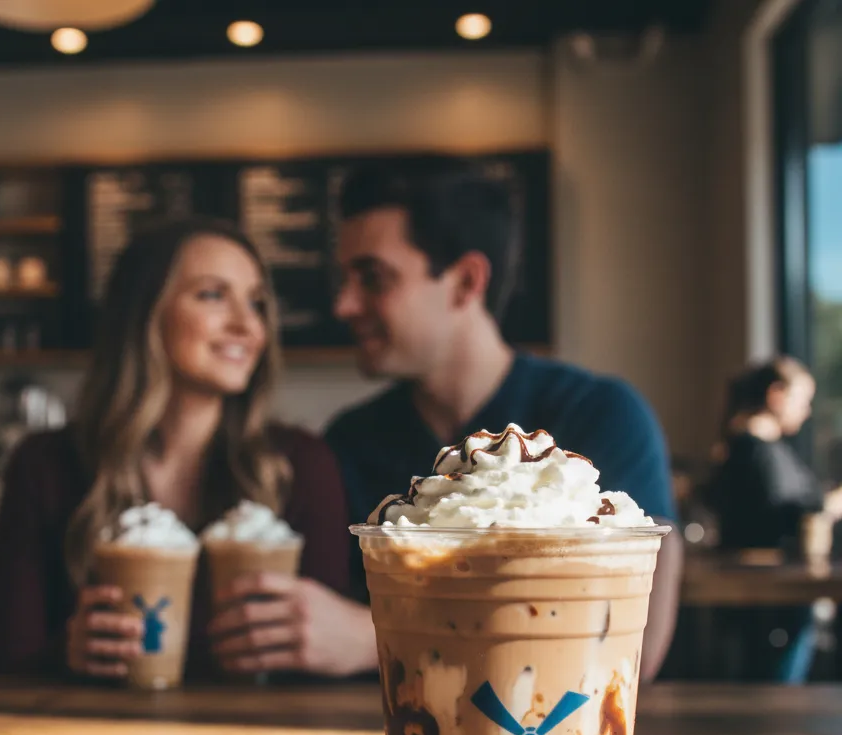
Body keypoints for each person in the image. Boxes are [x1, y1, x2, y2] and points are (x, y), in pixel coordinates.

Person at [321, 159, 684, 683]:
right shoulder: (350, 440)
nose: (343, 305)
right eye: (345, 279)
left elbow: (632, 649)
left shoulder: (600, 417)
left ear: (466, 281)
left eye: (373, 278)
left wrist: (367, 634)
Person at [0, 218, 374, 680]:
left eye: (256, 303)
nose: (247, 325)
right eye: (212, 295)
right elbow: (6, 663)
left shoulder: (300, 466)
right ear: (145, 313)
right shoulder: (45, 467)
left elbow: (319, 670)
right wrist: (67, 652)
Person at [707, 357, 841, 682]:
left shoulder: (751, 450)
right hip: (770, 594)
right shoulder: (758, 454)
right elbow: (788, 512)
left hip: (770, 594)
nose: (807, 411)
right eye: (803, 400)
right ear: (776, 394)